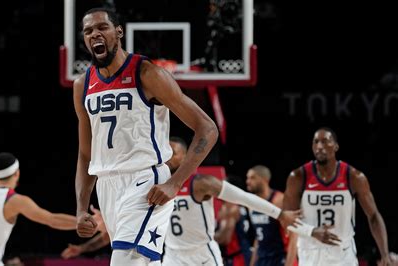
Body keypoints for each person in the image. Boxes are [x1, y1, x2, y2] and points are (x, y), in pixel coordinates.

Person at [73, 7, 219, 265]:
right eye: (88, 31)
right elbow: (86, 153)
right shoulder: (82, 85)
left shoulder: (147, 73)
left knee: (124, 261)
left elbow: (207, 128)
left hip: (145, 181)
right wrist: (82, 208)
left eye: (102, 28)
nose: (95, 34)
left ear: (118, 32)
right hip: (107, 187)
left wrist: (175, 183)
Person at [162, 137, 300, 266]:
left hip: (201, 255)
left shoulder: (200, 183)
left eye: (172, 152)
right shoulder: (159, 184)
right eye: (165, 150)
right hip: (172, 255)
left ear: (185, 157)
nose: (167, 156)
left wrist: (280, 214)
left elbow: (243, 197)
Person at [283, 127, 392, 265]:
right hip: (310, 252)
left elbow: (374, 216)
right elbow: (287, 220)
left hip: (343, 253)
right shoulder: (298, 177)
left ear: (336, 146)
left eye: (325, 141)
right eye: (315, 142)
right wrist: (312, 231)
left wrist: (385, 254)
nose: (319, 146)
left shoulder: (353, 177)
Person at [245, 165, 296, 266]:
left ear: (264, 179)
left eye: (252, 177)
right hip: (262, 259)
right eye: (247, 178)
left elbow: (293, 237)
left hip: (280, 258)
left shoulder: (280, 201)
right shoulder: (251, 204)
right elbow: (258, 237)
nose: (248, 181)